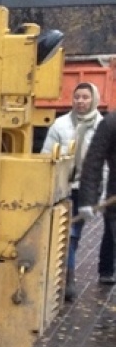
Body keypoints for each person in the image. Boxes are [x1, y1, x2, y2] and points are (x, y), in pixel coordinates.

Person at [42, 82, 112, 299]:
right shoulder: (59, 126)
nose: (80, 101)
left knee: (73, 235)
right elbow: (46, 157)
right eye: (77, 97)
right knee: (66, 235)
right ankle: (66, 279)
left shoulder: (103, 126)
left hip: (85, 190)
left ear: (94, 100)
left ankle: (67, 278)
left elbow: (104, 165)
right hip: (63, 188)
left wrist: (98, 196)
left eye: (85, 97)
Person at [78, 103, 116, 290]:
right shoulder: (111, 123)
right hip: (115, 199)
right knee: (111, 234)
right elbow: (93, 161)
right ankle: (106, 270)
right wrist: (87, 201)